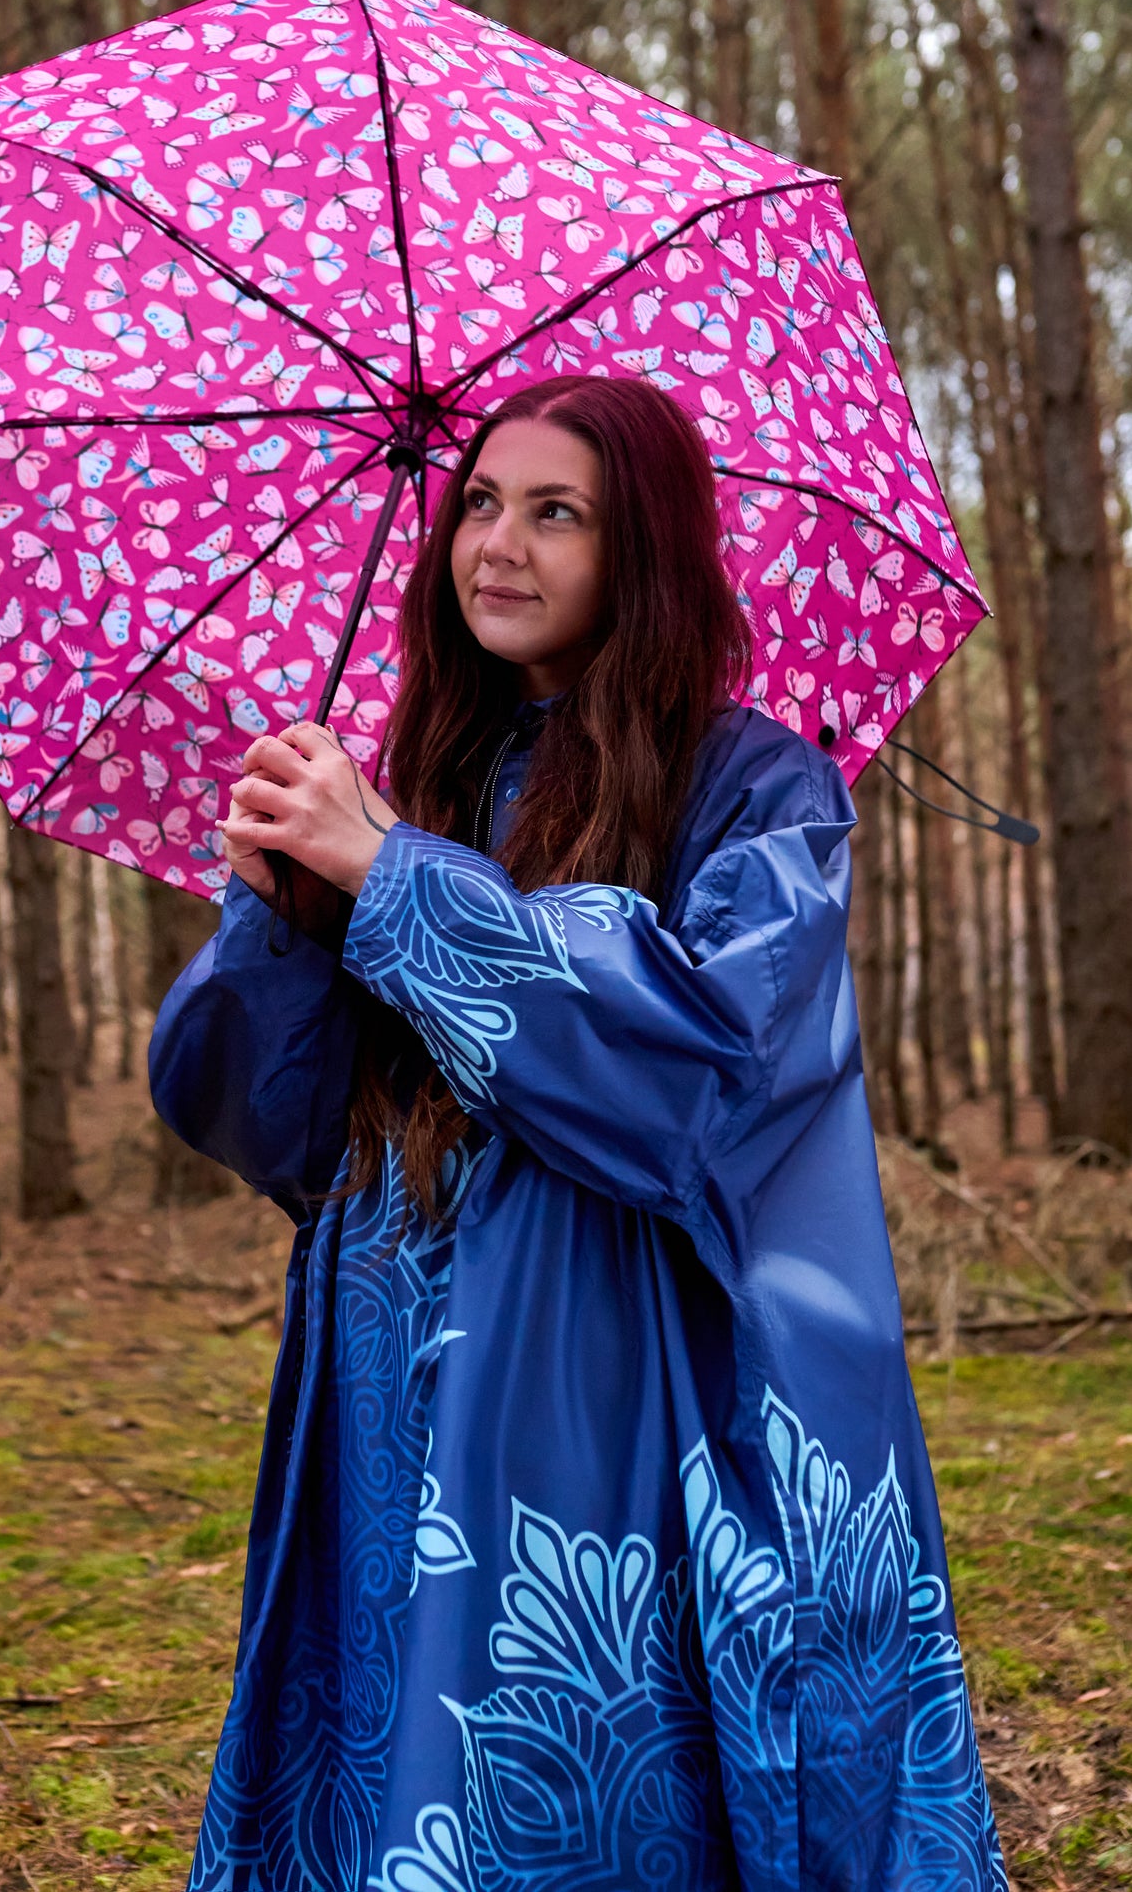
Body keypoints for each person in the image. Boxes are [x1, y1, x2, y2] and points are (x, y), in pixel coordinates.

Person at [149, 375, 1007, 1891]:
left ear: (647, 555)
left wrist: (396, 880)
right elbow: (268, 1127)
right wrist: (284, 918)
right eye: (479, 503)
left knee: (560, 1773)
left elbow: (700, 1074)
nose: (499, 545)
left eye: (558, 514)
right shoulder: (421, 777)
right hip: (384, 1366)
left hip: (608, 1379)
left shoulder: (757, 790)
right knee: (391, 1742)